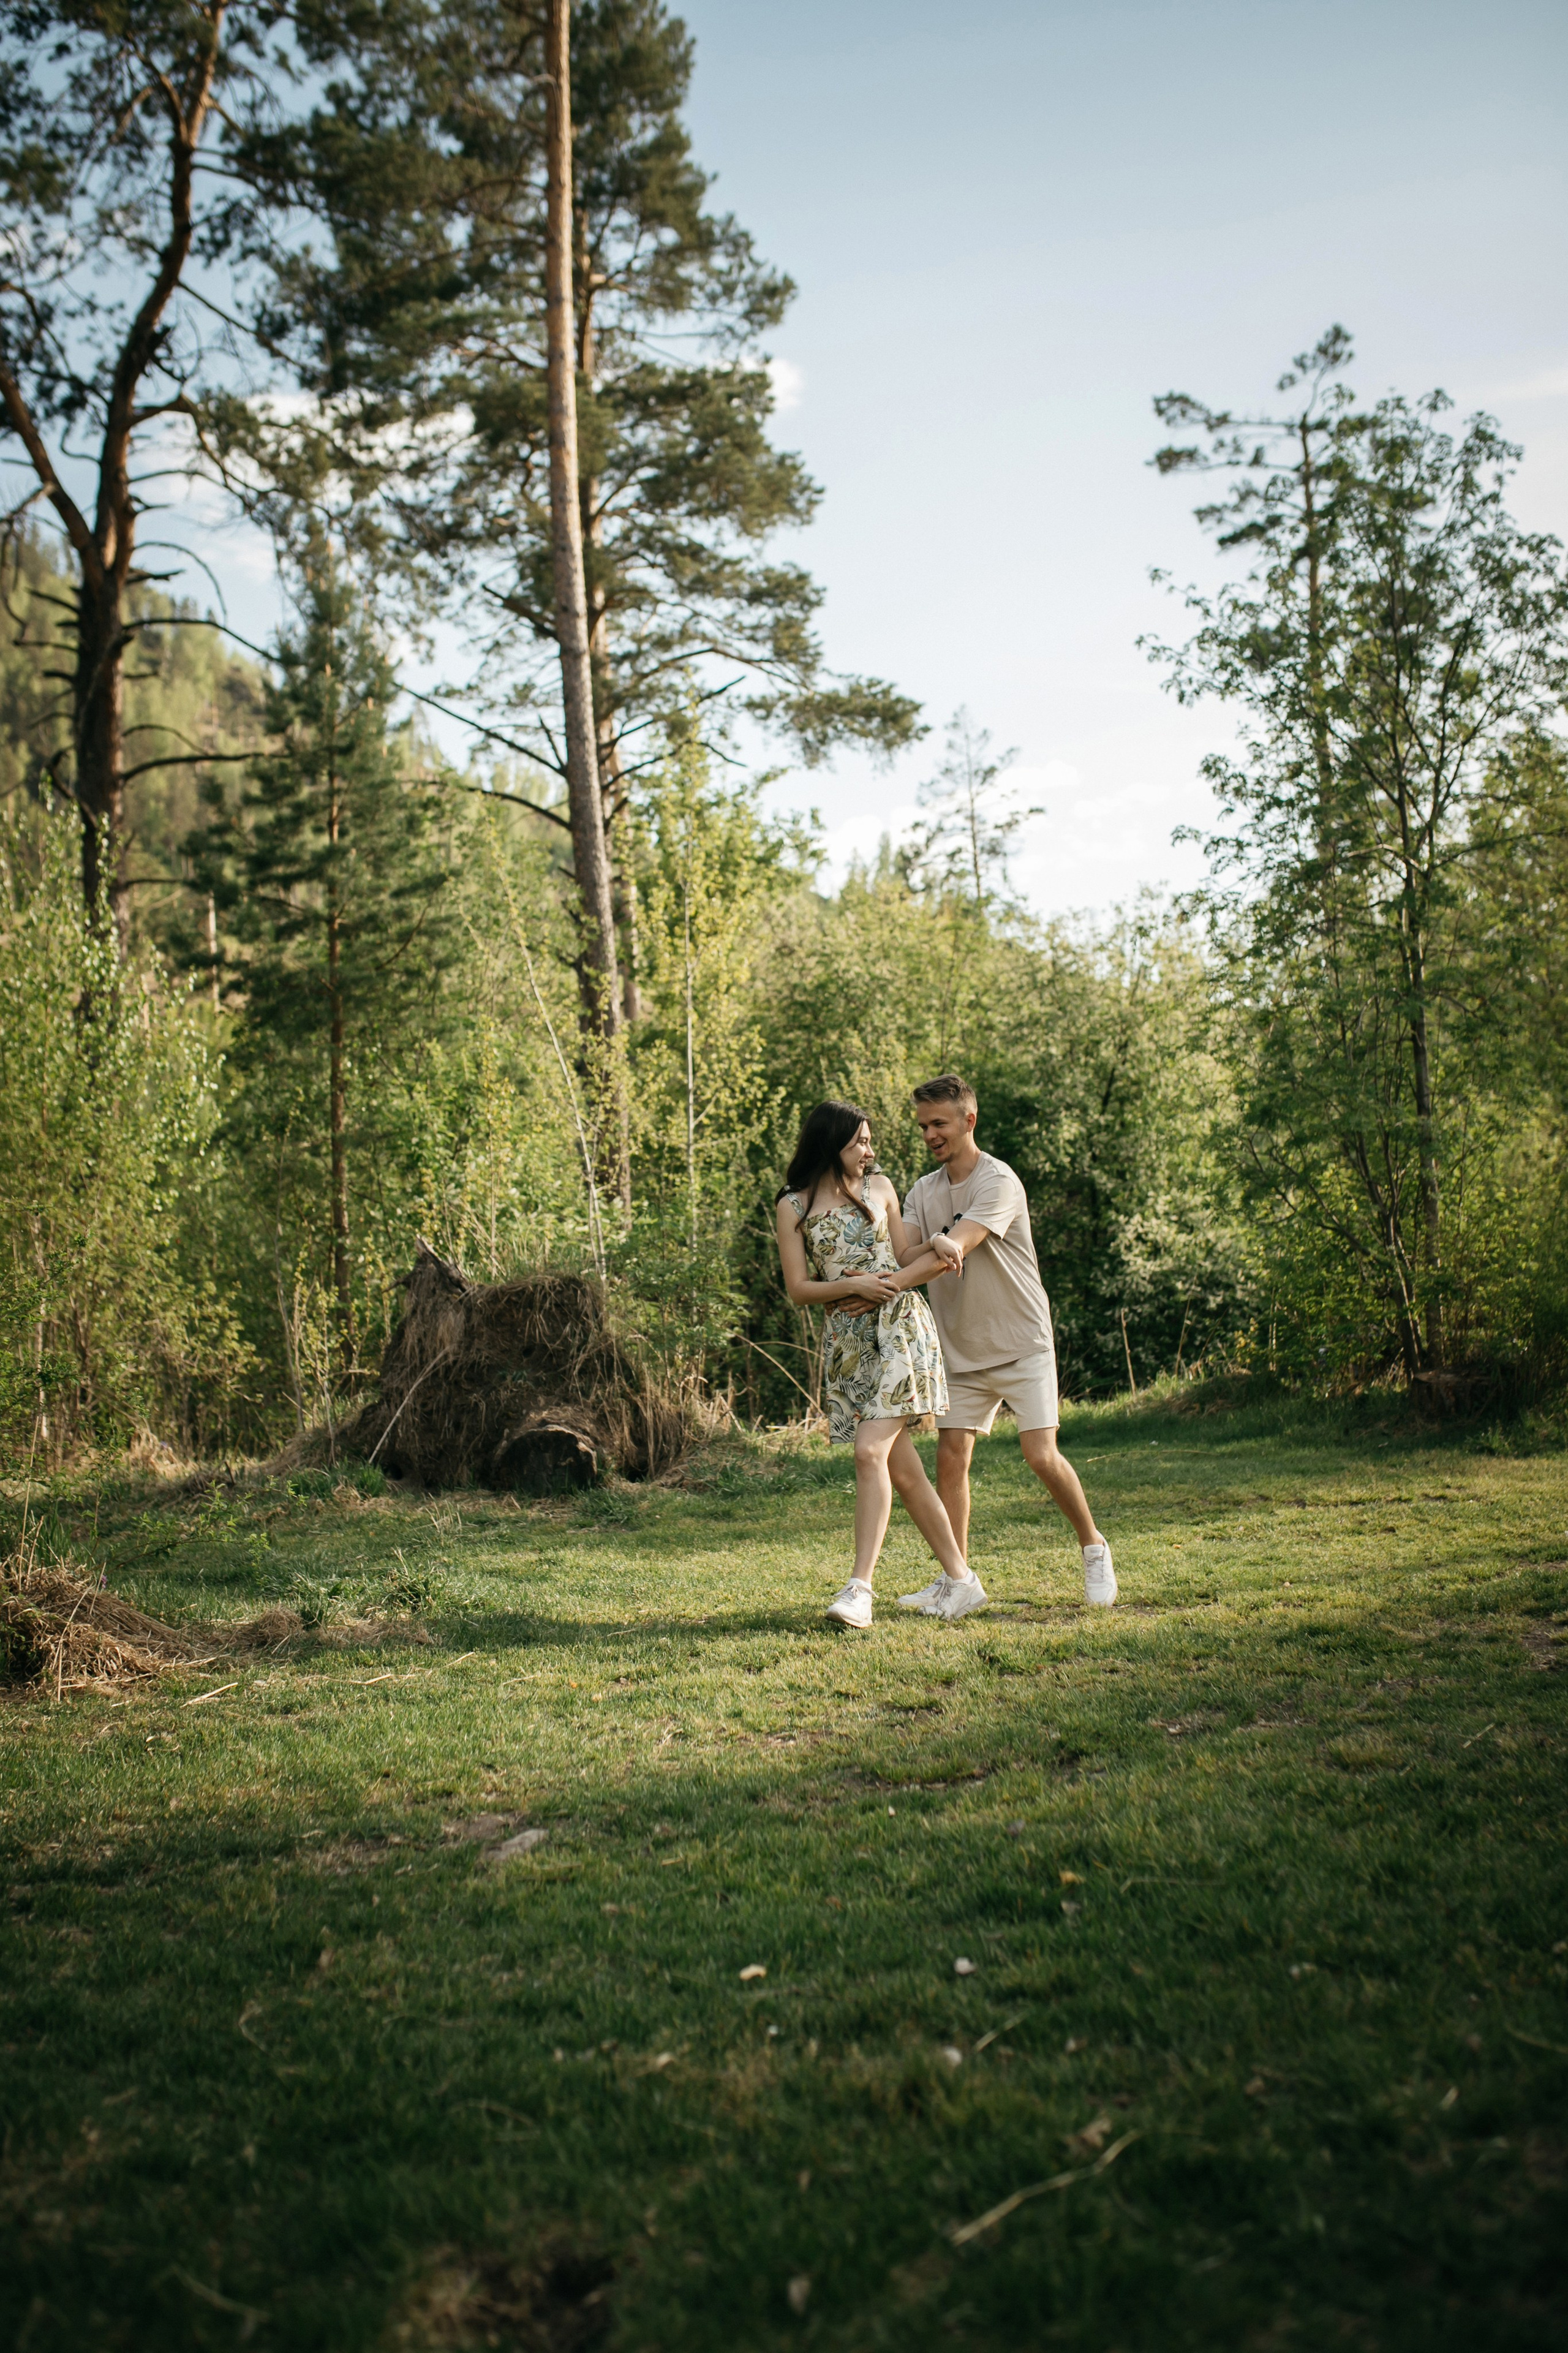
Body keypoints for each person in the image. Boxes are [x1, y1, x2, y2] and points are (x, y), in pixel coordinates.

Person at [897, 1073, 1116, 1615]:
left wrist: (936, 1250)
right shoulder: (923, 1191)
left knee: (1040, 1455)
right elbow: (907, 1255)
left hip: (1021, 1340)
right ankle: (958, 1579)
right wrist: (929, 1242)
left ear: (969, 1120)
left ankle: (1094, 1547)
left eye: (939, 1123)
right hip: (962, 1348)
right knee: (951, 1458)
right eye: (923, 1125)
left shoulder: (1000, 1181)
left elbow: (961, 1245)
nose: (930, 1134)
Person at [774, 1100, 973, 1628]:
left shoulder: (881, 1188)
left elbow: (904, 1256)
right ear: (831, 1143)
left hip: (900, 1329)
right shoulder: (793, 1205)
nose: (871, 1150)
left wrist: (934, 1239)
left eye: (869, 1140)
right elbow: (798, 1289)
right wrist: (852, 1285)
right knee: (903, 1471)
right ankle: (961, 1580)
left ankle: (860, 1589)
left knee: (869, 1453)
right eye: (860, 1141)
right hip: (849, 1341)